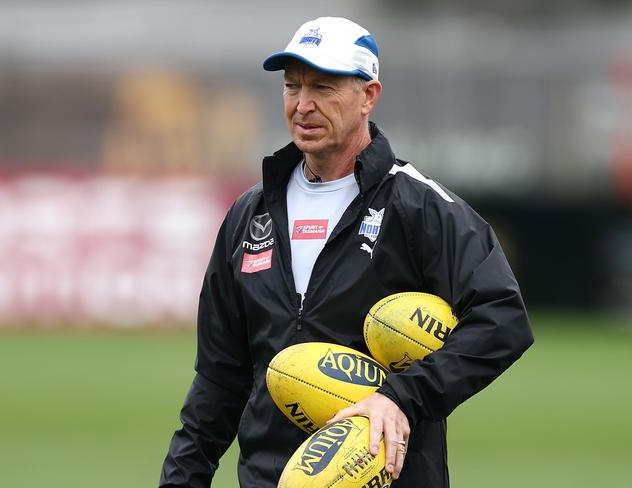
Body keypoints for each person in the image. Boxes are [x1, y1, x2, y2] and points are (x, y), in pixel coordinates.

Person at [160, 16, 534, 488]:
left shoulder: (419, 206)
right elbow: (220, 377)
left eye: (323, 86)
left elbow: (504, 319)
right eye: (292, 87)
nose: (303, 104)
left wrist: (401, 397)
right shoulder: (247, 214)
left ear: (369, 96)